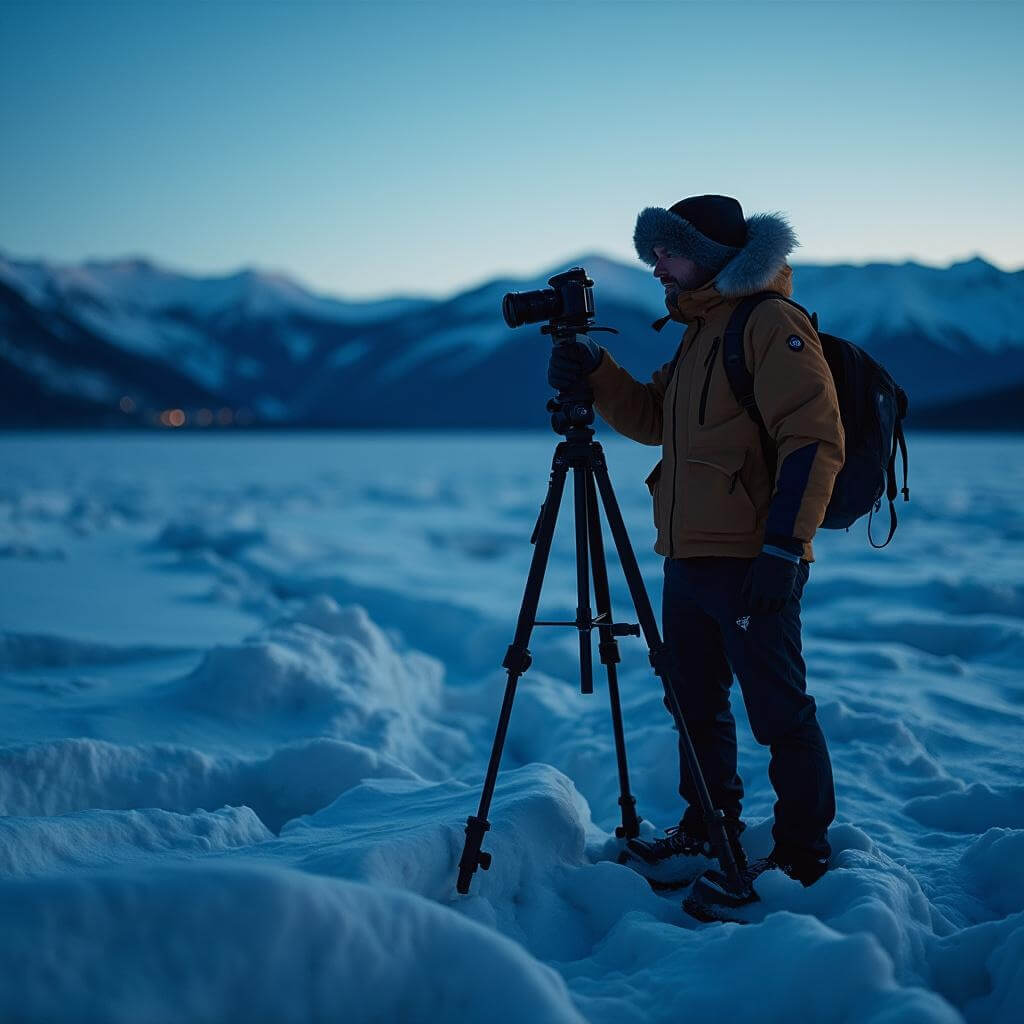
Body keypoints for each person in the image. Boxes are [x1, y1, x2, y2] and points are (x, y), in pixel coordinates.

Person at [548, 195, 844, 888]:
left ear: (706, 257)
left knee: (779, 713)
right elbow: (654, 420)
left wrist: (783, 549)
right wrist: (596, 368)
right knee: (694, 704)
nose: (656, 267)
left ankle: (803, 854)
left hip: (752, 558)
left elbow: (814, 440)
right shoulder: (701, 330)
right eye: (654, 254)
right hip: (688, 555)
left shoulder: (769, 323)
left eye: (667, 253)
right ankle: (706, 830)